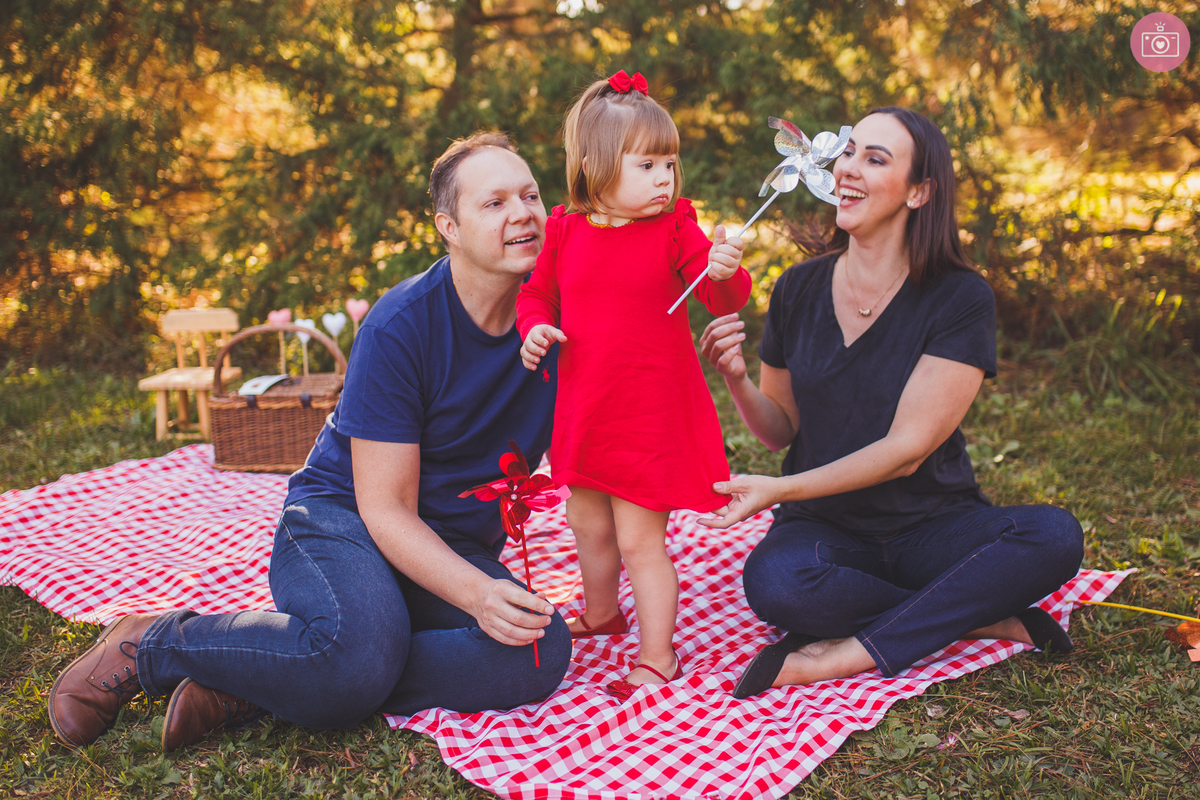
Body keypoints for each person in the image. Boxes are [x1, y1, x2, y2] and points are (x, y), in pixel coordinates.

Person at [47, 132, 572, 751]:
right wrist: (480, 593)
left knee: (538, 649)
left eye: (531, 195)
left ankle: (271, 673)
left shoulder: (564, 321)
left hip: (450, 542)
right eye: (494, 203)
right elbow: (385, 508)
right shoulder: (401, 325)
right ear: (449, 228)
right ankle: (153, 645)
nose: (522, 213)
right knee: (359, 656)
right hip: (341, 521)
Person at [697, 107, 1084, 698]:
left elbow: (906, 452)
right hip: (826, 531)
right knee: (776, 584)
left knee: (1054, 536)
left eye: (876, 159)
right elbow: (780, 432)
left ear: (920, 192)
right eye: (848, 151)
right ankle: (975, 616)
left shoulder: (960, 298)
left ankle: (845, 655)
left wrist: (779, 489)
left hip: (931, 526)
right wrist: (736, 379)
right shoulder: (797, 288)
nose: (849, 168)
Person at [516, 70, 751, 701]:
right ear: (594, 165)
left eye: (670, 164)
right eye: (647, 165)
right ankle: (601, 613)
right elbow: (538, 294)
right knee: (586, 522)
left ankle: (658, 656)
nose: (664, 179)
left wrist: (725, 271)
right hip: (587, 409)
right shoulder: (564, 230)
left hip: (648, 413)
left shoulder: (676, 226)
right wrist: (535, 328)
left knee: (639, 539)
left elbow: (713, 289)